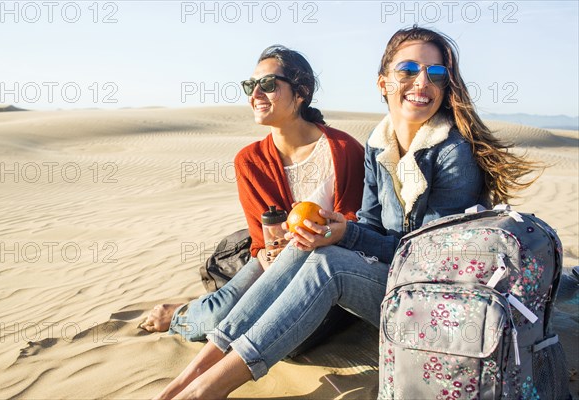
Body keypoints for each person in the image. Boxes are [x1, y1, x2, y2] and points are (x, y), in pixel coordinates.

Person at [152, 26, 539, 400]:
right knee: (307, 249)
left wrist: (346, 235)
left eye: (435, 73)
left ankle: (207, 391)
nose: (422, 82)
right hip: (394, 283)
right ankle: (186, 381)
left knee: (329, 264)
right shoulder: (378, 146)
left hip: (436, 300)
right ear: (382, 83)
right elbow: (368, 223)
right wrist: (336, 231)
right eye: (407, 70)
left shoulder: (453, 152)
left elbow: (431, 258)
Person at [140, 45, 365, 350]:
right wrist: (271, 253)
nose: (255, 94)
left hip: (324, 263)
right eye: (250, 85)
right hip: (273, 262)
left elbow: (355, 222)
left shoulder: (344, 150)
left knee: (287, 340)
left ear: (301, 92)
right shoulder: (250, 160)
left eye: (269, 85)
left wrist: (322, 236)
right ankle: (180, 315)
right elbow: (261, 240)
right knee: (213, 321)